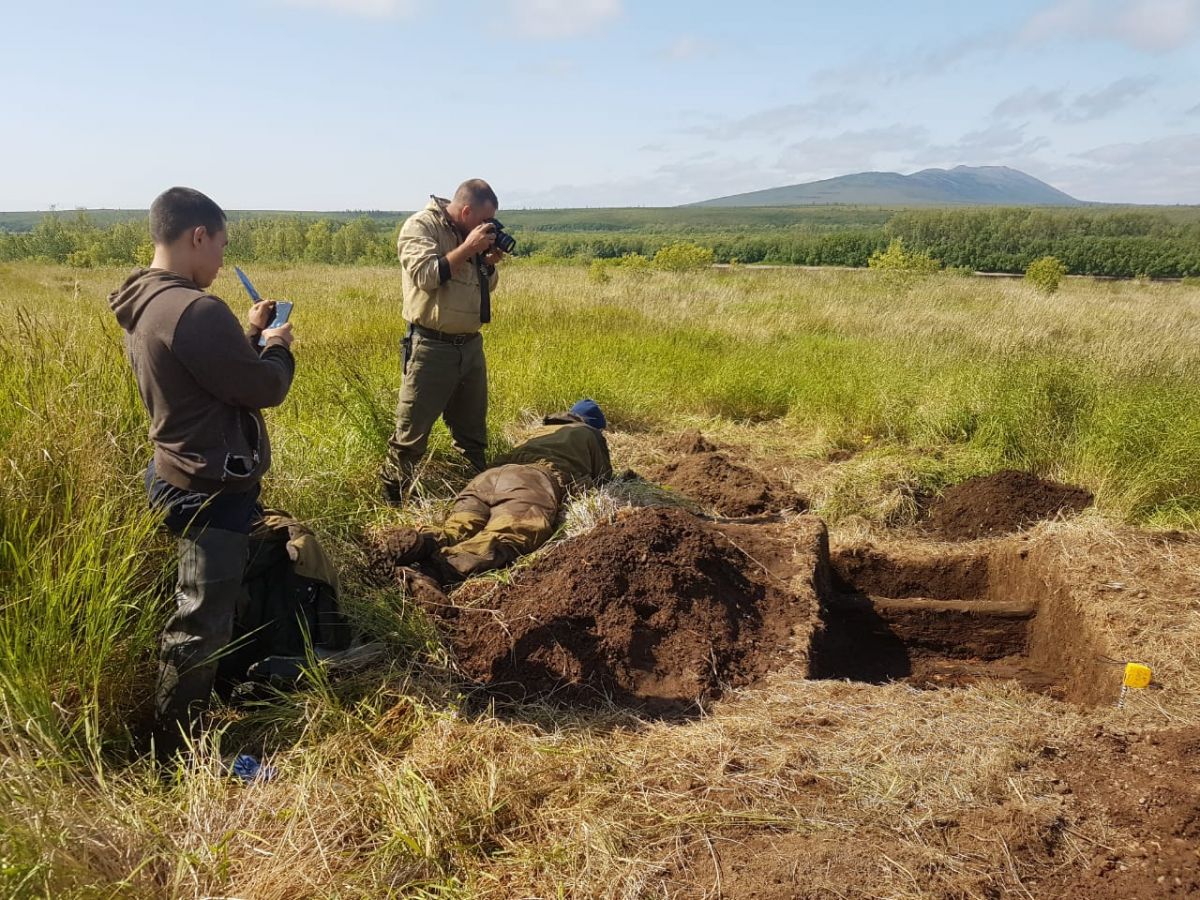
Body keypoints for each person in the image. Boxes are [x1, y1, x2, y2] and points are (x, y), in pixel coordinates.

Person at [109, 186, 296, 759]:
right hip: (209, 488)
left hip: (172, 469)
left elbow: (205, 377)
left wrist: (244, 335)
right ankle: (175, 752)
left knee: (205, 607)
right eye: (220, 247)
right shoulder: (197, 309)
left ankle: (200, 706)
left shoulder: (145, 297)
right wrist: (277, 347)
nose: (220, 260)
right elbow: (263, 387)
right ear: (197, 236)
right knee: (198, 623)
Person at [375, 399, 612, 583]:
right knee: (508, 535)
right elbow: (604, 477)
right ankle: (435, 570)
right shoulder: (588, 433)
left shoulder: (540, 432)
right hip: (529, 482)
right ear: (593, 425)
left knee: (458, 528)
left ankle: (423, 542)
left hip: (487, 478)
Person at [380, 179, 505, 503]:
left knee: (473, 436)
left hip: (470, 346)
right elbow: (426, 276)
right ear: (466, 211)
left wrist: (487, 264)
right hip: (431, 347)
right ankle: (395, 506)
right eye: (483, 221)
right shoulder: (421, 227)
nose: (486, 228)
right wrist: (469, 248)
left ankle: (474, 501)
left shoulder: (469, 234)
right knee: (410, 438)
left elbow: (483, 288)